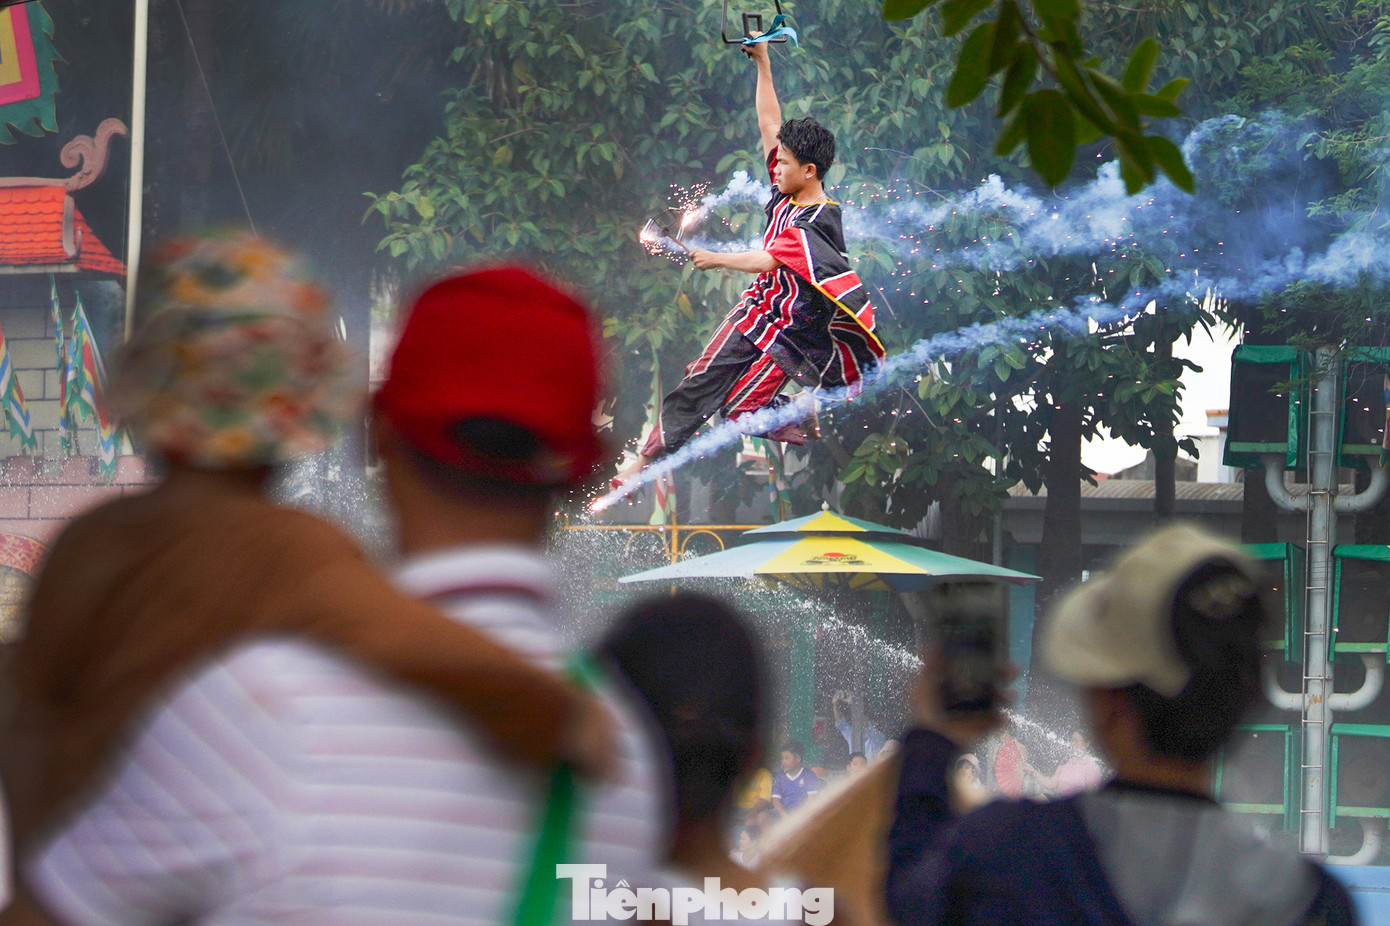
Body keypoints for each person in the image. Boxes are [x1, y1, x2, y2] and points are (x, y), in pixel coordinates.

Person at [8, 256, 662, 924]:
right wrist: (554, 708)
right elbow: (391, 630)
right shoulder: (630, 757)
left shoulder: (88, 544)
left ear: (377, 430)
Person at [886, 523, 1358, 925]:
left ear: (1107, 701)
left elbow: (905, 899)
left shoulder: (1009, 852)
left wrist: (932, 738)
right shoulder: (1315, 902)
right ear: (1248, 701)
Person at [615, 36, 883, 486]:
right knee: (700, 379)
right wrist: (763, 65)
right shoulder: (785, 189)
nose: (775, 168)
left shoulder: (821, 218)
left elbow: (769, 261)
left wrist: (716, 258)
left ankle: (799, 409)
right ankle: (645, 463)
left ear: (810, 171)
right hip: (757, 310)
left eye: (786, 164)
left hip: (794, 333)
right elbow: (768, 122)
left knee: (738, 410)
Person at [1022, 727, 1106, 798]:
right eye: (1072, 740)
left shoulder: (1091, 767)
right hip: (1061, 801)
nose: (1074, 743)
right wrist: (1033, 772)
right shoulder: (1066, 763)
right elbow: (1052, 783)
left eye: (1077, 740)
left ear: (1087, 743)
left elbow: (1093, 796)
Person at [772, 739, 823, 816]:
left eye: (786, 758)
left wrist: (798, 816)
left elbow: (812, 799)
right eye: (782, 758)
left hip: (803, 814)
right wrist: (784, 815)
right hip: (784, 813)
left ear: (798, 759)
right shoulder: (780, 777)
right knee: (763, 817)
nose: (783, 761)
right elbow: (775, 800)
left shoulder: (808, 775)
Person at [832, 690, 887, 761]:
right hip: (859, 771)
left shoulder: (877, 736)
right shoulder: (852, 735)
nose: (859, 720)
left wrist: (854, 705)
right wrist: (835, 704)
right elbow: (840, 723)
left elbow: (865, 724)